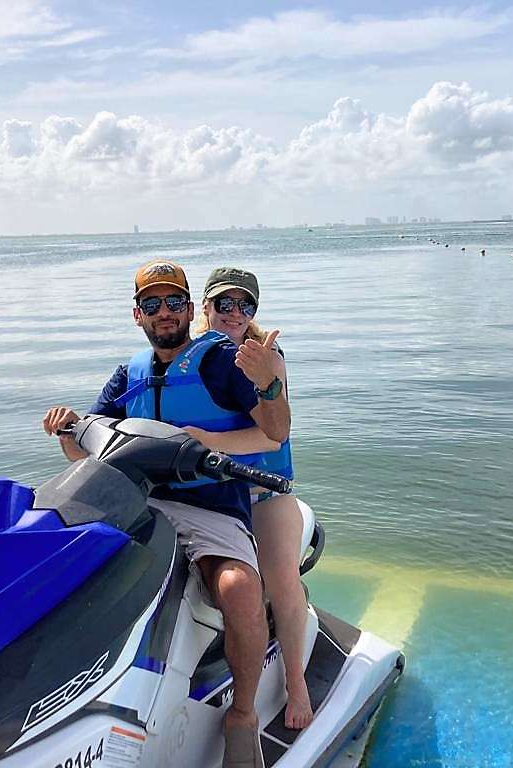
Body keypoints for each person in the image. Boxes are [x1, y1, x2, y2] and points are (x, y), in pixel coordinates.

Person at [42, 260, 289, 768]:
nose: (164, 313)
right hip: (135, 501)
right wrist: (69, 428)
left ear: (189, 308)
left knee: (239, 589)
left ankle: (242, 716)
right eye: (152, 304)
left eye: (174, 301)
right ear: (138, 315)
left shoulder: (221, 359)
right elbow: (88, 450)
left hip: (210, 507)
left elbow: (276, 430)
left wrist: (267, 386)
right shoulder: (128, 374)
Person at [191, 267, 313, 730]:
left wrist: (204, 440)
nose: (235, 314)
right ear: (206, 307)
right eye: (225, 304)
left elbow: (271, 437)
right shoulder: (193, 356)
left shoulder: (266, 356)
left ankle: (296, 682)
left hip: (264, 491)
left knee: (279, 579)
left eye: (246, 306)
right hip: (215, 495)